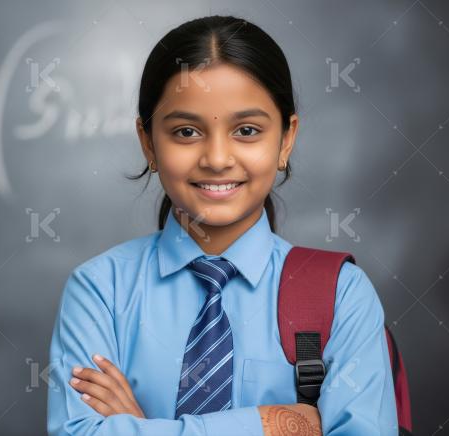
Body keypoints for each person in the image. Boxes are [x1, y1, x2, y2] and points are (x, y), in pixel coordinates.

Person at [46, 15, 399, 436]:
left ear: (286, 140)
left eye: (247, 130)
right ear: (148, 143)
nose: (216, 158)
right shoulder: (100, 290)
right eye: (186, 131)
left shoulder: (341, 293)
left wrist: (144, 428)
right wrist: (271, 424)